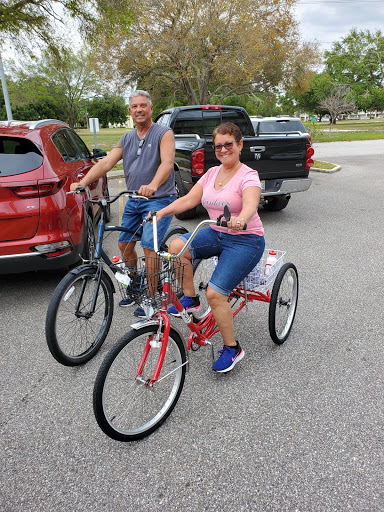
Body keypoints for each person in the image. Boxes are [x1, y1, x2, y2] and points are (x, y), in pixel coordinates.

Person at [155, 122, 265, 373]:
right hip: (216, 233)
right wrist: (161, 212)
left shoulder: (248, 175)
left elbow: (250, 203)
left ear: (240, 145)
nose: (224, 149)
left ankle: (232, 348)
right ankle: (190, 298)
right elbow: (189, 199)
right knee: (176, 245)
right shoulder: (212, 173)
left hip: (245, 240)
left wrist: (242, 218)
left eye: (229, 144)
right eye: (218, 146)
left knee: (215, 294)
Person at [70, 90, 176, 316]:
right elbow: (107, 162)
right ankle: (136, 284)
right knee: (124, 244)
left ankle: (151, 297)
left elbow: (167, 163)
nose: (139, 109)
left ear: (150, 109)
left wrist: (154, 184)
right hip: (134, 199)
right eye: (134, 106)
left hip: (159, 200)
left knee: (149, 246)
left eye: (143, 106)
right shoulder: (127, 138)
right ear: (130, 111)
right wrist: (83, 182)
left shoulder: (163, 133)